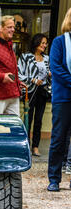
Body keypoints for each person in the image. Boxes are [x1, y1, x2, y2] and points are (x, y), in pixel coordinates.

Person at [47, 7, 71, 192]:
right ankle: (54, 179)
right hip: (63, 98)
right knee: (58, 139)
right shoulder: (59, 42)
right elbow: (56, 68)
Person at [18, 34, 52, 157]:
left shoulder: (47, 58)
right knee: (28, 119)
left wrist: (50, 74)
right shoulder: (25, 57)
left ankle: (35, 147)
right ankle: (25, 145)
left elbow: (51, 73)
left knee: (38, 120)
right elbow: (19, 73)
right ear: (36, 43)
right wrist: (32, 80)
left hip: (42, 92)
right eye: (42, 43)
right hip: (29, 91)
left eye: (45, 43)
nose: (44, 45)